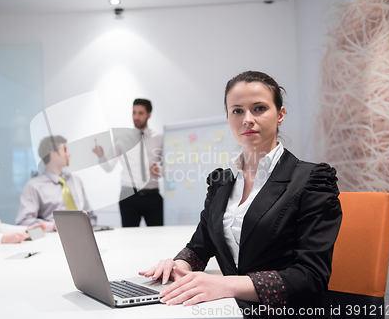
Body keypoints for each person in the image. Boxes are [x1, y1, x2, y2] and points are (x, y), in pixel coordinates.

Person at [139, 71, 342, 316]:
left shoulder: (311, 181)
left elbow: (310, 279)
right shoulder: (222, 182)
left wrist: (224, 285)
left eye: (259, 108)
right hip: (229, 309)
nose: (247, 119)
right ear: (228, 117)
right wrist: (177, 265)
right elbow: (199, 248)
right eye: (237, 111)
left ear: (280, 115)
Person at [92, 98, 163, 227]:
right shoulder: (122, 137)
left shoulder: (159, 138)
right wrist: (101, 156)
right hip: (129, 196)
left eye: (140, 113)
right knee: (129, 238)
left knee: (157, 236)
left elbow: (169, 166)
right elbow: (109, 167)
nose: (136, 117)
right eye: (134, 112)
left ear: (149, 114)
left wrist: (161, 171)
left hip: (152, 195)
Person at [16, 135, 96, 231]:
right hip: (53, 238)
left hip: (85, 234)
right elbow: (24, 221)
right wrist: (52, 226)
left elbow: (90, 215)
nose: (69, 154)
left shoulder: (76, 181)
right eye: (65, 150)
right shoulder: (34, 186)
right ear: (53, 154)